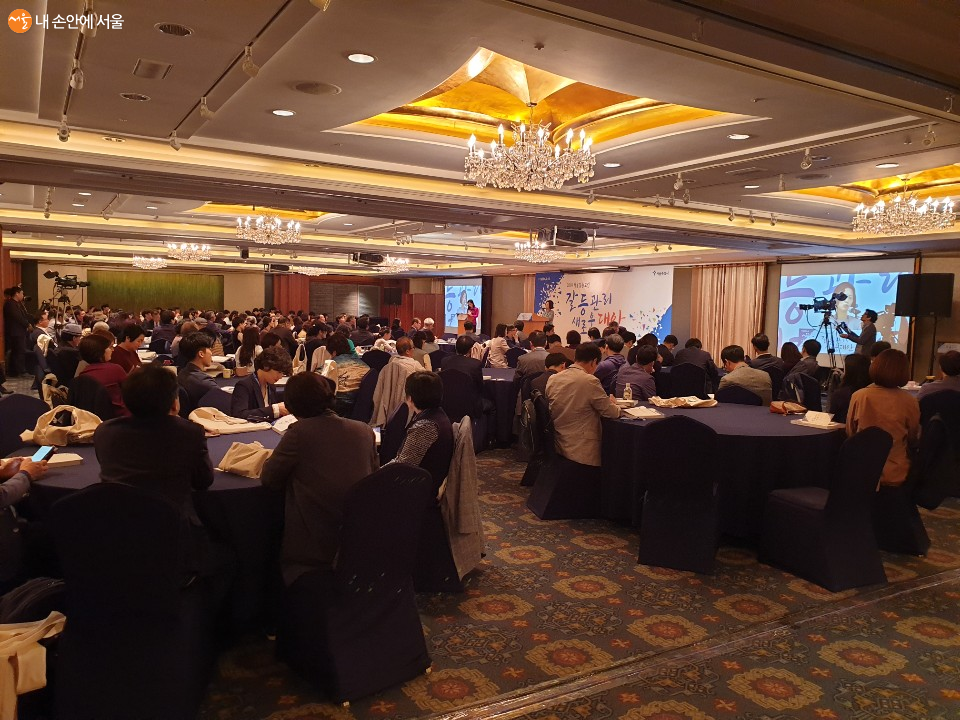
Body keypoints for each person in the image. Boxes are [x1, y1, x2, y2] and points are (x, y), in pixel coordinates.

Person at [261, 372, 378, 585]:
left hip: (315, 543)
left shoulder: (299, 433)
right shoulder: (364, 430)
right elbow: (374, 476)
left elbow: (269, 479)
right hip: (361, 536)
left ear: (292, 405)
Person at [95, 365, 216, 550]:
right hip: (174, 536)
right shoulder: (188, 433)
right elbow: (203, 481)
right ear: (174, 403)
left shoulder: (105, 431)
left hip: (115, 532)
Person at [847, 349, 920, 486]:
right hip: (895, 470)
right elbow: (913, 437)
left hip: (861, 467)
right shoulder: (910, 400)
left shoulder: (859, 396)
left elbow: (850, 432)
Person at [545, 343, 621, 468]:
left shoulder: (553, 378)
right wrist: (614, 404)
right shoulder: (589, 381)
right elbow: (611, 412)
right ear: (594, 362)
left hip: (558, 442)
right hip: (582, 448)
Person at [390, 372, 454, 492]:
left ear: (410, 398)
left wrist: (373, 473)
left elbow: (403, 467)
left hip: (416, 491)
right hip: (423, 483)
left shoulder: (425, 426)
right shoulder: (437, 415)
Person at [230, 346, 292, 422]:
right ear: (266, 366)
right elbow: (238, 415)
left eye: (282, 373)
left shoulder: (271, 386)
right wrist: (273, 410)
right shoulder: (244, 386)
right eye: (279, 372)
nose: (280, 377)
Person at [77, 334, 130, 416]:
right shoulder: (115, 369)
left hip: (92, 419)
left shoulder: (82, 374)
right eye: (110, 347)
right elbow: (130, 392)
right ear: (101, 351)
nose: (113, 350)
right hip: (119, 416)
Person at [320, 332, 370, 416]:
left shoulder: (330, 366)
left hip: (338, 409)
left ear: (334, 352)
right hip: (361, 408)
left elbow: (315, 382)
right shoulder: (364, 364)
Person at [177, 331, 219, 413]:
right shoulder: (205, 383)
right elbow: (224, 402)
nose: (211, 353)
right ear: (201, 354)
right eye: (209, 349)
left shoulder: (182, 373)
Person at [828, 353, 871, 423]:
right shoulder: (873, 391)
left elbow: (832, 417)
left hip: (844, 428)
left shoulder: (841, 394)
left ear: (849, 371)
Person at [3, 285, 30, 377]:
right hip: (15, 332)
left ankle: (16, 371)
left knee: (18, 351)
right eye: (21, 293)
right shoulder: (10, 304)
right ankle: (20, 371)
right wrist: (27, 324)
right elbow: (18, 317)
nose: (23, 295)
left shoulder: (17, 303)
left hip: (19, 331)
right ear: (16, 294)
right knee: (19, 352)